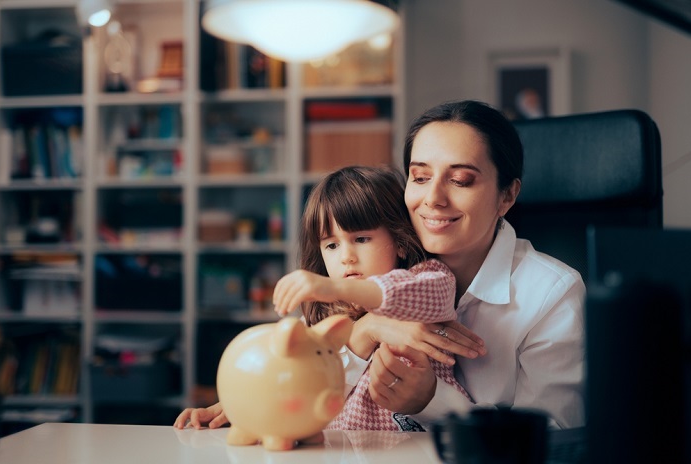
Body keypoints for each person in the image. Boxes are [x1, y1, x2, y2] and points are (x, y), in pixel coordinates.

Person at [174, 165, 484, 431]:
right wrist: (240, 406)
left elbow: (410, 292)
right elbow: (293, 382)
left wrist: (334, 287)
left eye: (361, 239)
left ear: (400, 242)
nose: (346, 257)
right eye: (331, 246)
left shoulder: (428, 280)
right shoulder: (322, 317)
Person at [343, 100, 585, 430]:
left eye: (459, 180)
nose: (433, 198)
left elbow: (552, 437)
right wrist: (366, 329)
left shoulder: (552, 293)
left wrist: (431, 401)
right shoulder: (380, 263)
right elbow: (297, 392)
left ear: (507, 197)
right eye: (420, 177)